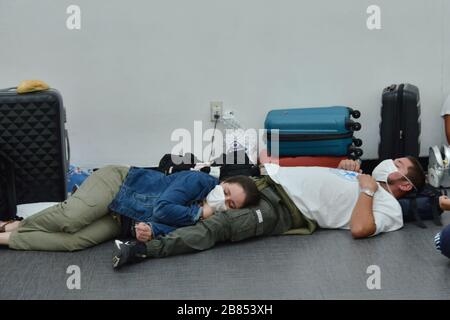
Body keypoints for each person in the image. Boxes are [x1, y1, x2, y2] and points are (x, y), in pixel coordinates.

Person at [111, 156, 426, 269]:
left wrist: (368, 189)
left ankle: (144, 248)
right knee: (205, 197)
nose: (390, 163)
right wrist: (349, 170)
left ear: (406, 185)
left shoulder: (390, 208)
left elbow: (360, 228)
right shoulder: (365, 176)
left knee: (220, 224)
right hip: (268, 180)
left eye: (398, 165)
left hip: (283, 208)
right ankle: (132, 215)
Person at [0, 165, 260, 251]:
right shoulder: (198, 181)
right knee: (71, 218)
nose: (223, 201)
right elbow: (162, 207)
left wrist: (149, 231)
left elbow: (163, 224)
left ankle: (8, 236)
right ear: (223, 182)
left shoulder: (212, 220)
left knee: (74, 242)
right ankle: (14, 222)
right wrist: (198, 213)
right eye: (226, 192)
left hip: (123, 219)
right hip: (118, 184)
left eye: (230, 204)